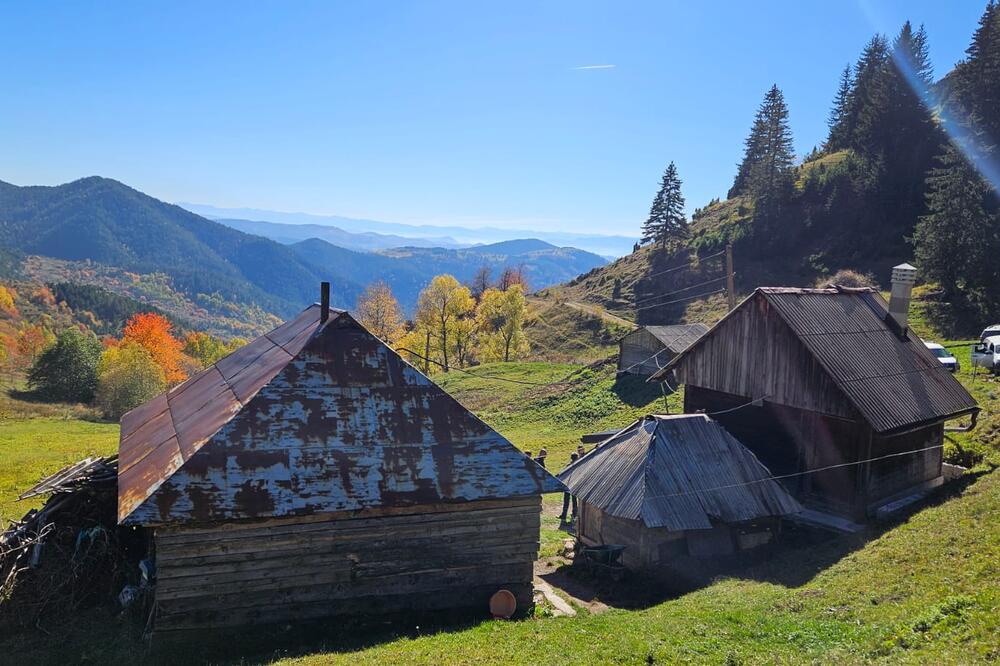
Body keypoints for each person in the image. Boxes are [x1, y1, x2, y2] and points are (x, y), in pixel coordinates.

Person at [559, 453, 579, 522]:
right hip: (573, 485)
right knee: (574, 501)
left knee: (566, 501)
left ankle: (564, 515)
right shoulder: (579, 465)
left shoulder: (569, 465)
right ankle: (574, 515)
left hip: (568, 485)